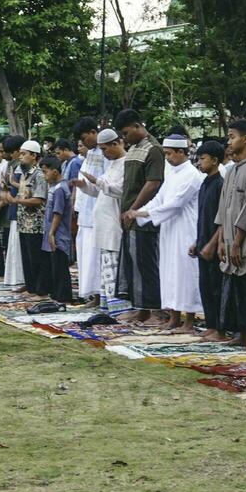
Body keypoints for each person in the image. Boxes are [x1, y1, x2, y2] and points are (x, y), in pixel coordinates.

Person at [128, 130, 204, 332]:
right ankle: (173, 317)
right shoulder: (171, 173)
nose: (167, 158)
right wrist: (140, 211)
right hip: (169, 229)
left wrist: (142, 215)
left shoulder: (192, 175)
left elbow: (175, 204)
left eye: (170, 153)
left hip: (186, 230)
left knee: (185, 274)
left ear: (181, 152)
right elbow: (160, 199)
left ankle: (188, 321)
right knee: (170, 273)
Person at [213, 119, 246, 348]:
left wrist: (236, 242)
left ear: (245, 139)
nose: (229, 141)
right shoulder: (232, 170)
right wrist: (221, 240)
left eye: (232, 136)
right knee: (234, 287)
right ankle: (242, 334)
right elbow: (223, 207)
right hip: (229, 239)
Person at [115, 110, 166, 320]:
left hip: (144, 215)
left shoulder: (153, 149)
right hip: (129, 214)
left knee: (146, 262)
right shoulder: (134, 148)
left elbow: (153, 183)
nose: (124, 138)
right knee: (133, 263)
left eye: (126, 133)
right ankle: (141, 307)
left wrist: (133, 210)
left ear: (137, 126)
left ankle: (154, 309)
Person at [74, 129, 127, 306]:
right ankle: (108, 305)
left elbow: (119, 190)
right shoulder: (112, 164)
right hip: (102, 225)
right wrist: (83, 185)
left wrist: (96, 181)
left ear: (116, 143)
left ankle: (119, 306)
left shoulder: (126, 163)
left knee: (115, 268)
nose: (103, 153)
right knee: (105, 268)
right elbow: (98, 191)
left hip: (113, 224)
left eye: (105, 149)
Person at [191, 140, 228, 339]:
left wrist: (212, 243)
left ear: (214, 161)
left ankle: (220, 329)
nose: (199, 163)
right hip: (203, 241)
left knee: (216, 288)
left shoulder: (220, 184)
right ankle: (211, 325)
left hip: (215, 245)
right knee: (205, 286)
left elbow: (221, 219)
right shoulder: (205, 183)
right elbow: (203, 217)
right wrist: (197, 242)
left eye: (202, 159)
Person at [5, 140, 49, 296]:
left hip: (36, 223)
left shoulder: (39, 175)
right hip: (24, 222)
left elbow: (38, 199)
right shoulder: (24, 174)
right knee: (26, 257)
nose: (20, 157)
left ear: (34, 156)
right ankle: (31, 287)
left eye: (24, 154)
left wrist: (16, 200)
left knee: (36, 258)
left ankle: (40, 290)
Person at [72, 119, 105, 303]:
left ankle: (100, 296)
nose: (83, 144)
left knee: (96, 257)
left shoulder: (105, 152)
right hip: (85, 213)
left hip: (98, 213)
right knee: (85, 257)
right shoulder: (89, 154)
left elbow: (104, 183)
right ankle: (92, 295)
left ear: (93, 132)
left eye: (84, 138)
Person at [40, 157, 74, 304]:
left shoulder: (60, 188)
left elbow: (58, 213)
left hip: (59, 234)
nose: (44, 175)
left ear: (55, 171)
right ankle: (56, 294)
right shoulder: (55, 186)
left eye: (45, 172)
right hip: (53, 232)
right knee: (55, 265)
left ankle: (63, 296)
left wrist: (52, 233)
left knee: (60, 266)